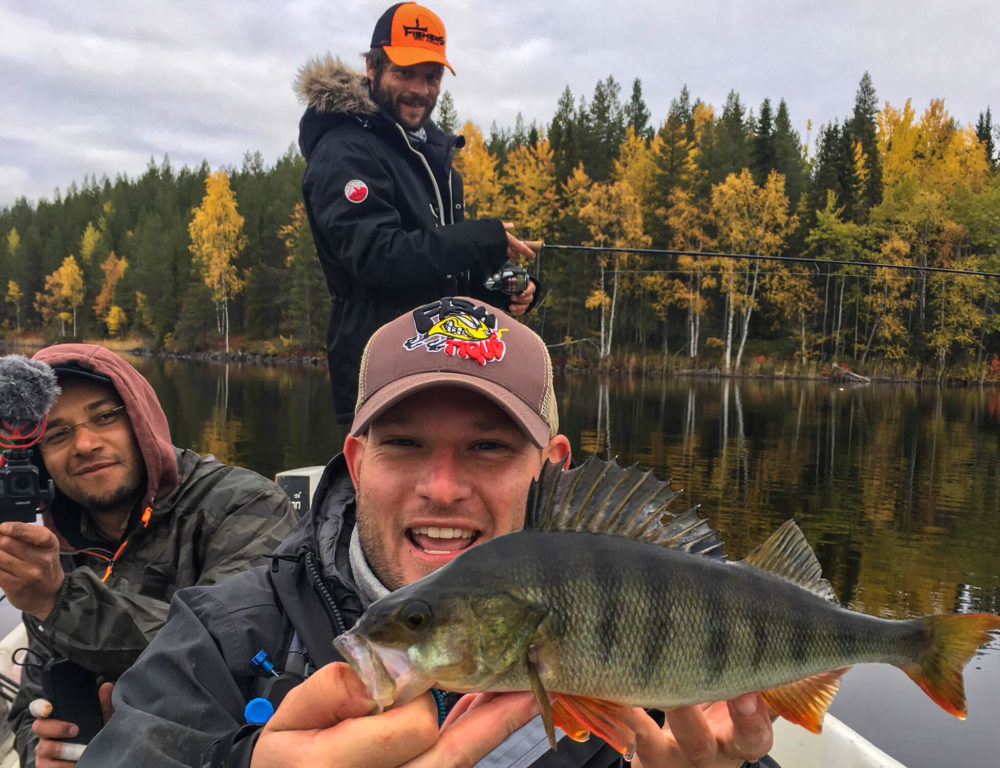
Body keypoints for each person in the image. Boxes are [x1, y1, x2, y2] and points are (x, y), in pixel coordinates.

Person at [76, 297, 778, 768]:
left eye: (490, 448)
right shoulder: (224, 637)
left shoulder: (651, 643)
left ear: (552, 470)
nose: (442, 487)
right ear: (356, 462)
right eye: (405, 444)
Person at [0, 344, 298, 767]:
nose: (85, 444)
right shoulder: (57, 549)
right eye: (58, 433)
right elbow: (31, 705)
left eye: (105, 417)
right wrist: (46, 752)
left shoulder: (246, 505)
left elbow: (233, 652)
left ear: (140, 420)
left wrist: (59, 600)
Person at [295, 1, 541, 425]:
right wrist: (478, 239)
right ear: (372, 68)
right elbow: (377, 258)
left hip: (443, 367)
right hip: (381, 375)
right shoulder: (344, 151)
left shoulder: (431, 159)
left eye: (431, 76)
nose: (420, 90)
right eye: (403, 72)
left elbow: (439, 276)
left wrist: (502, 291)